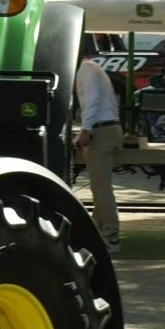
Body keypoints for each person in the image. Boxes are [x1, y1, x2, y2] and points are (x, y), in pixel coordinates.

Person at [74, 39, 123, 253]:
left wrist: (85, 129)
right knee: (98, 186)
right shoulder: (93, 68)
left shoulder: (86, 69)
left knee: (101, 188)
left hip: (100, 131)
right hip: (106, 128)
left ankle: (111, 236)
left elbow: (92, 101)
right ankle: (99, 231)